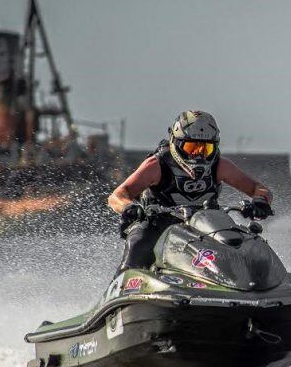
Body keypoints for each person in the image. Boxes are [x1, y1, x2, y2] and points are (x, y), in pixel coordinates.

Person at [108, 110, 273, 273]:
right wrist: (128, 208)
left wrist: (260, 202)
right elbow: (118, 195)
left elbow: (259, 189)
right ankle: (125, 282)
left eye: (205, 149)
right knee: (138, 241)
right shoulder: (156, 166)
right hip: (158, 225)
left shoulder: (221, 166)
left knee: (244, 241)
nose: (199, 155)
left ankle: (256, 280)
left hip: (207, 226)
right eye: (192, 147)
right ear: (177, 143)